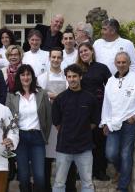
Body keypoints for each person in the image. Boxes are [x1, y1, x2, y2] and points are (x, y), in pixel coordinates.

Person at [100, 52, 135, 192]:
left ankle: (122, 187)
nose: (121, 65)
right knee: (110, 154)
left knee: (125, 154)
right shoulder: (110, 81)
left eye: (124, 62)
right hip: (113, 123)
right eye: (119, 62)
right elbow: (106, 104)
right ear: (115, 64)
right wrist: (105, 122)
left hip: (129, 123)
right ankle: (122, 172)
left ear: (128, 63)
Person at [52, 64, 99, 192]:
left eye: (75, 76)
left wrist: (82, 130)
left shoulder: (90, 98)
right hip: (64, 147)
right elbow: (56, 123)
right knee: (59, 183)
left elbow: (95, 121)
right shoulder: (60, 99)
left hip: (84, 147)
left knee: (87, 183)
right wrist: (69, 131)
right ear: (66, 78)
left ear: (80, 77)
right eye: (69, 76)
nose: (72, 79)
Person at [6, 64, 52, 192]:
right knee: (24, 176)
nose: (26, 77)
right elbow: (7, 119)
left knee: (39, 176)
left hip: (37, 138)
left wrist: (44, 136)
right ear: (18, 77)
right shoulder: (12, 95)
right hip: (20, 138)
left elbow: (48, 117)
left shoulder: (41, 93)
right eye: (23, 75)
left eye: (28, 74)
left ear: (32, 76)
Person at [38, 48, 77, 192]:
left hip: (65, 122)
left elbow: (72, 93)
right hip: (48, 122)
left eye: (58, 57)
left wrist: (56, 97)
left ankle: (69, 187)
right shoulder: (42, 78)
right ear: (49, 58)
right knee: (47, 159)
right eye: (53, 57)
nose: (55, 60)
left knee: (67, 157)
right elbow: (40, 97)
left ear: (62, 59)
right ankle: (47, 187)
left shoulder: (67, 77)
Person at [76, 42, 112, 181]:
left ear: (92, 51)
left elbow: (111, 88)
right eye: (81, 52)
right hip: (82, 110)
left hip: (99, 109)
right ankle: (83, 171)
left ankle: (99, 170)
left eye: (86, 50)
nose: (83, 53)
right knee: (83, 142)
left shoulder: (102, 68)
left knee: (99, 141)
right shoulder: (77, 69)